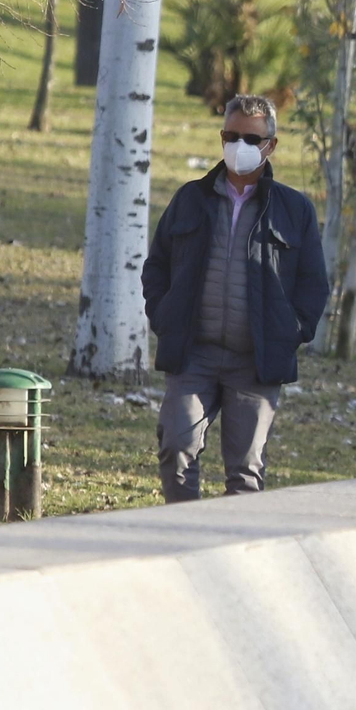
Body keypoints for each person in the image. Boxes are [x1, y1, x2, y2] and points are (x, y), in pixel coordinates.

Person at [141, 94, 329, 502]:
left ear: (271, 145)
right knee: (176, 450)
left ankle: (230, 553)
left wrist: (289, 332)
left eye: (251, 138)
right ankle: (184, 541)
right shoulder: (190, 198)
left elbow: (314, 285)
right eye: (231, 135)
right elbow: (156, 266)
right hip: (193, 356)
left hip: (256, 364)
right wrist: (164, 316)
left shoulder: (294, 210)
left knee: (245, 475)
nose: (239, 146)